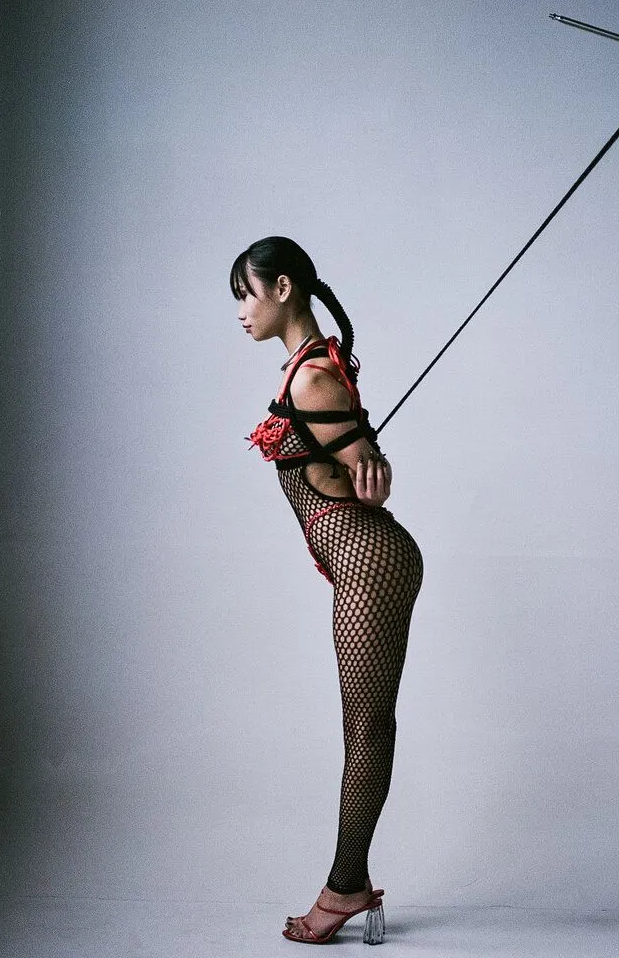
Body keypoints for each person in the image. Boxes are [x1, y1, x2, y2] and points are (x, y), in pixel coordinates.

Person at [230, 236, 424, 945]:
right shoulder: (309, 368)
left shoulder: (313, 377)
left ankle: (345, 887)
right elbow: (352, 460)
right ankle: (349, 881)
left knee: (367, 727)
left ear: (282, 288)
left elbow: (365, 468)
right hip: (361, 561)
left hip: (370, 562)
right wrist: (364, 463)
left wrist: (371, 466)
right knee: (364, 725)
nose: (241, 311)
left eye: (246, 294)